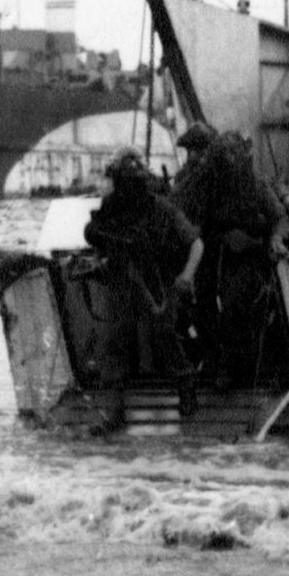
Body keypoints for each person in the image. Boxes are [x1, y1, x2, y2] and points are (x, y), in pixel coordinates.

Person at [84, 151, 203, 423]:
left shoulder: (162, 209)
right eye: (120, 182)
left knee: (164, 331)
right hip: (125, 278)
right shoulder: (111, 207)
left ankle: (186, 387)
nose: (124, 189)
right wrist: (100, 238)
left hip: (160, 279)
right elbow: (93, 233)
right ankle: (114, 409)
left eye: (129, 183)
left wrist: (186, 276)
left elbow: (195, 243)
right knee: (114, 337)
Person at [171, 131, 289, 389]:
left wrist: (273, 240)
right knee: (201, 306)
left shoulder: (253, 184)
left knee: (235, 302)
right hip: (212, 251)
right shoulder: (204, 182)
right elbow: (193, 221)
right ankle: (212, 361)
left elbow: (279, 217)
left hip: (245, 255)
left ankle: (231, 367)